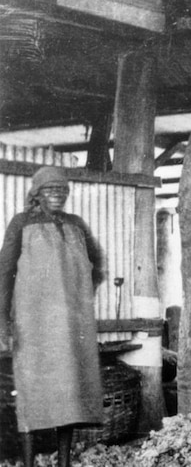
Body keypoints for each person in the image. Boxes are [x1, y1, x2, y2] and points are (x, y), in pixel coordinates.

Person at [0, 167, 104, 467]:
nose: (57, 195)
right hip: (32, 323)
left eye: (61, 190)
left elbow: (96, 264)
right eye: (49, 190)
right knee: (32, 392)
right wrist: (4, 322)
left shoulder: (76, 224)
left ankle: (64, 462)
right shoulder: (21, 223)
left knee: (69, 389)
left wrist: (78, 295)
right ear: (36, 194)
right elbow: (5, 272)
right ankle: (30, 462)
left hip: (70, 324)